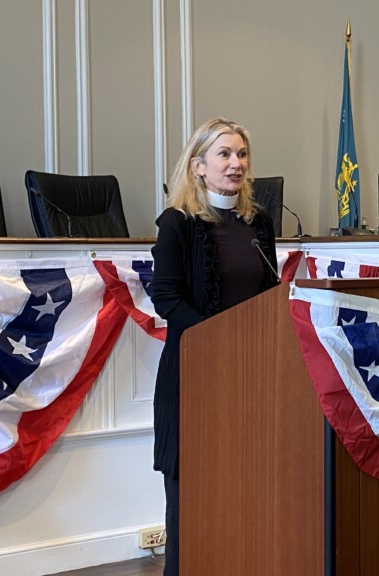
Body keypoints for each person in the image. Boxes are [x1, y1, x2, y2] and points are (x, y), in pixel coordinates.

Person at [149, 117, 279, 576]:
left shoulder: (258, 223)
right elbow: (165, 297)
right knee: (193, 496)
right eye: (224, 154)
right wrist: (216, 343)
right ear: (199, 166)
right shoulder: (178, 224)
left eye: (241, 154)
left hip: (251, 374)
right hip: (195, 375)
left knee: (245, 488)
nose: (236, 163)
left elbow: (269, 294)